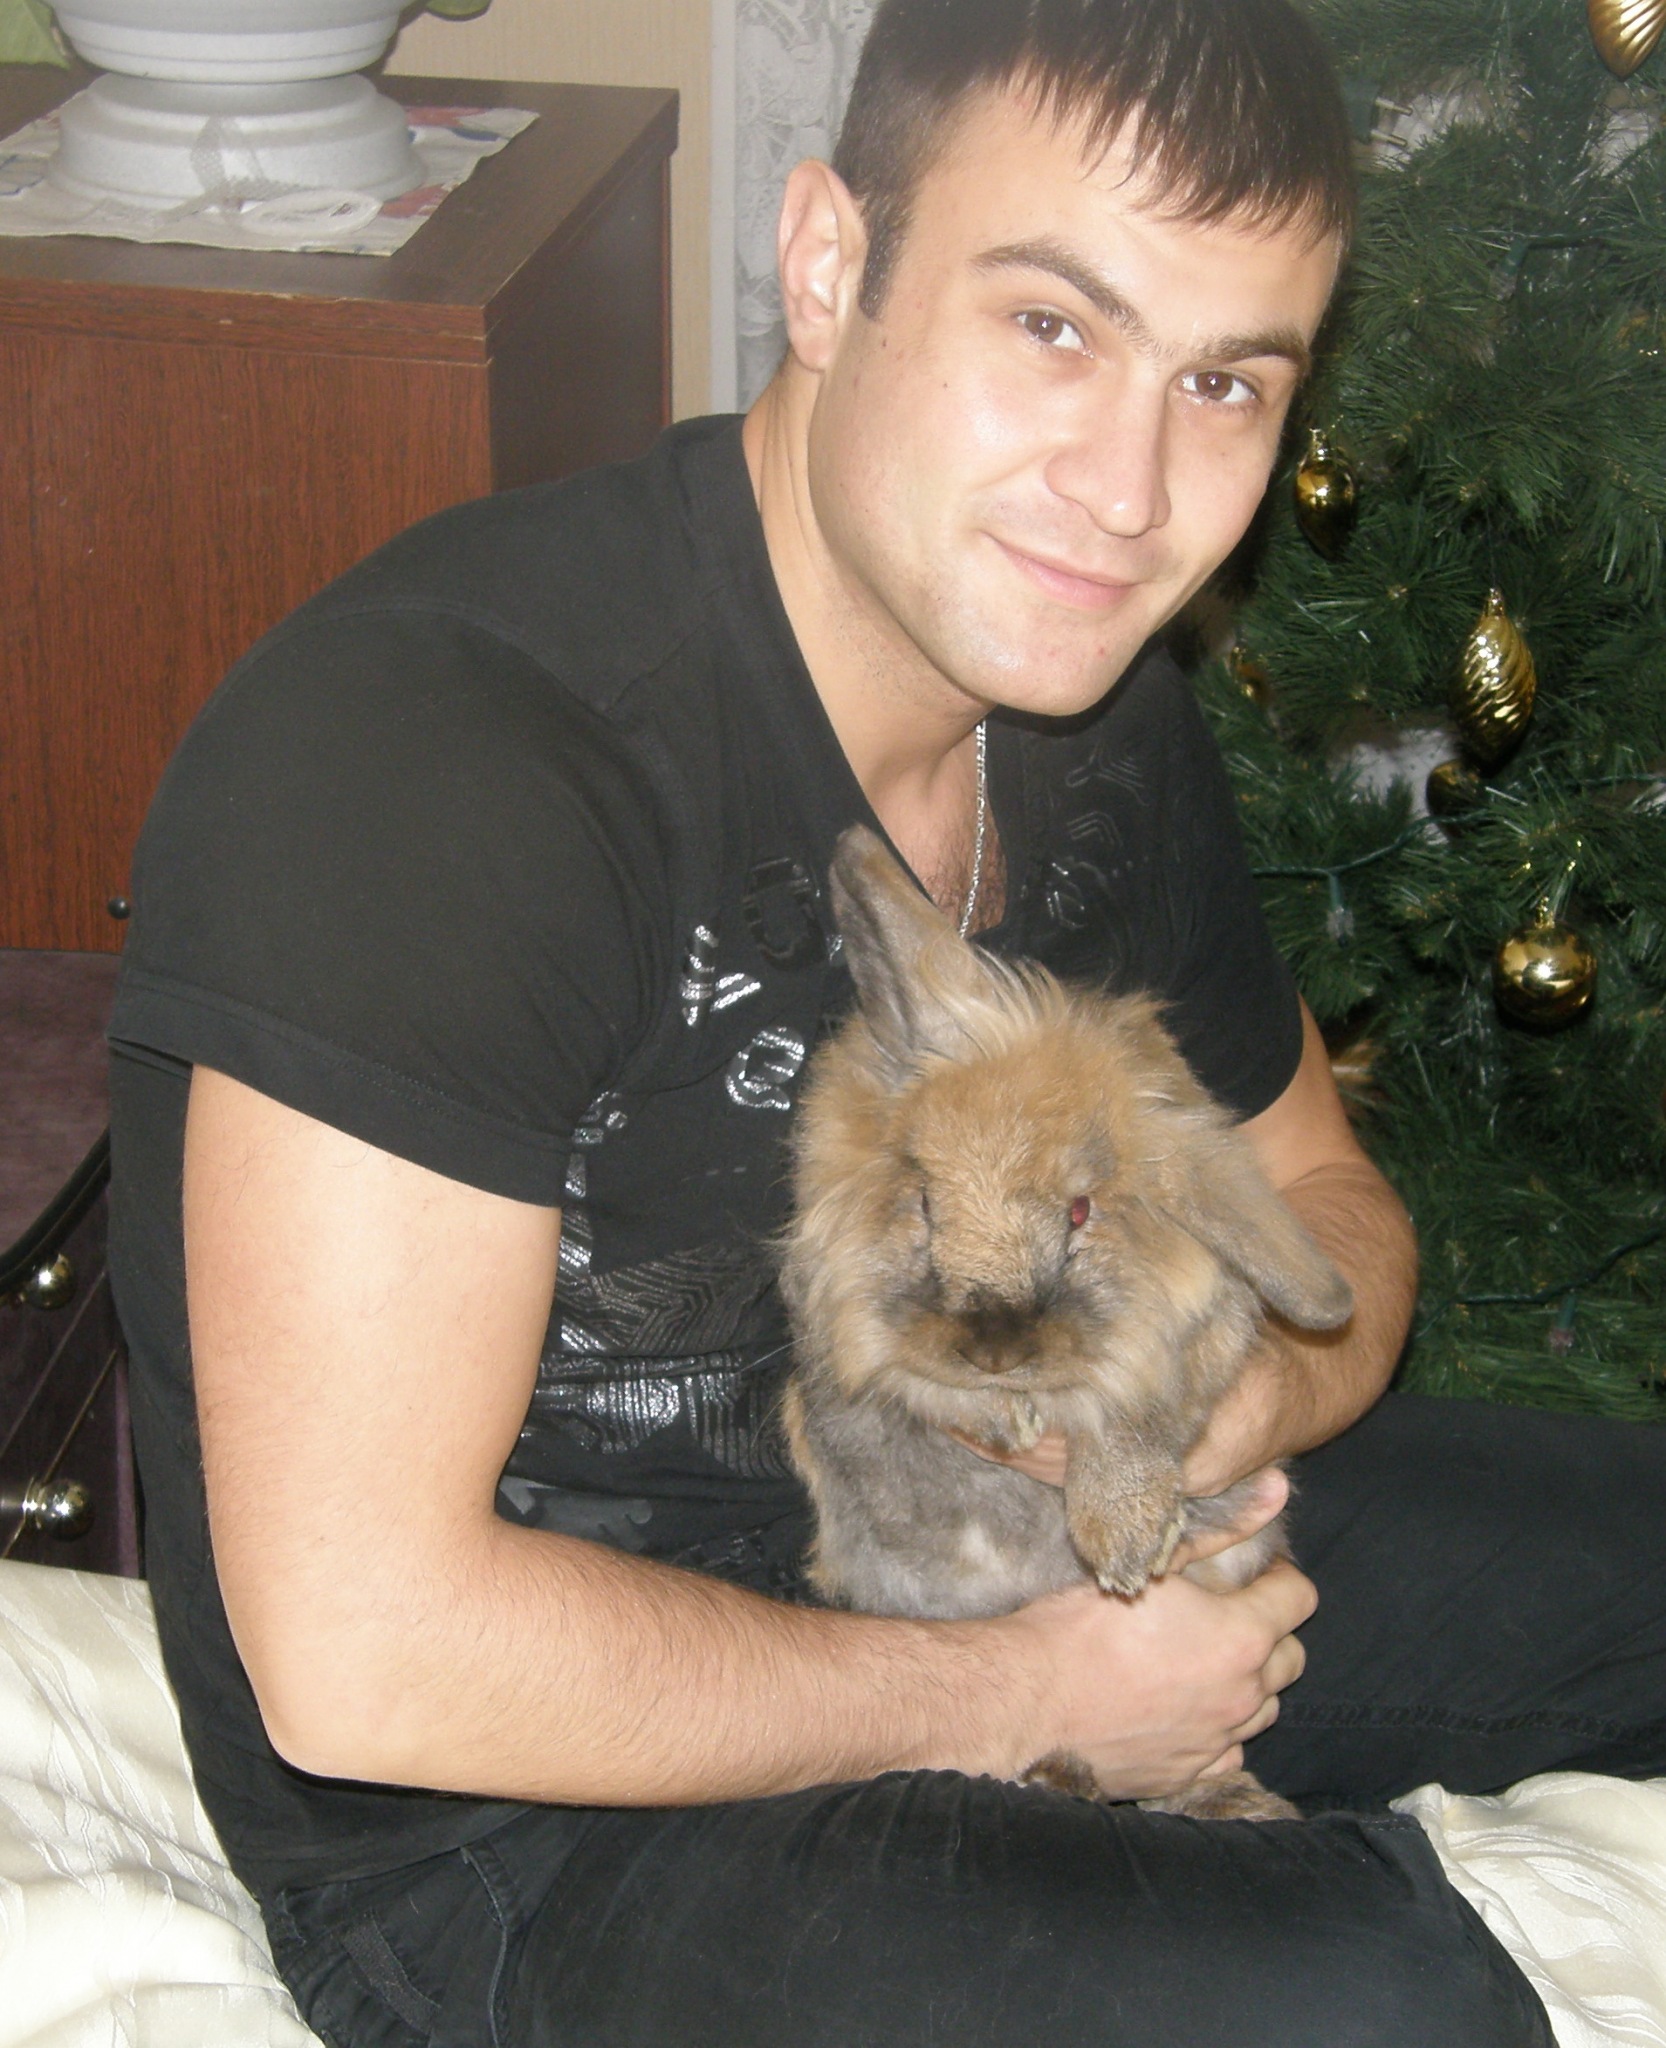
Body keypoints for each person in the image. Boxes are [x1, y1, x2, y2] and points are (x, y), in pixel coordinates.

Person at [105, 2, 1661, 2043]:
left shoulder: (1085, 716)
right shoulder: (443, 762)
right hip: (524, 1816)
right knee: (1375, 2004)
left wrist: (1192, 1430)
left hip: (1020, 1537)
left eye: (1219, 381)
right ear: (829, 263)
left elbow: (1320, 1202)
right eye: (1051, 327)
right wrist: (1037, 1693)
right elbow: (367, 1658)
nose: (1126, 491)